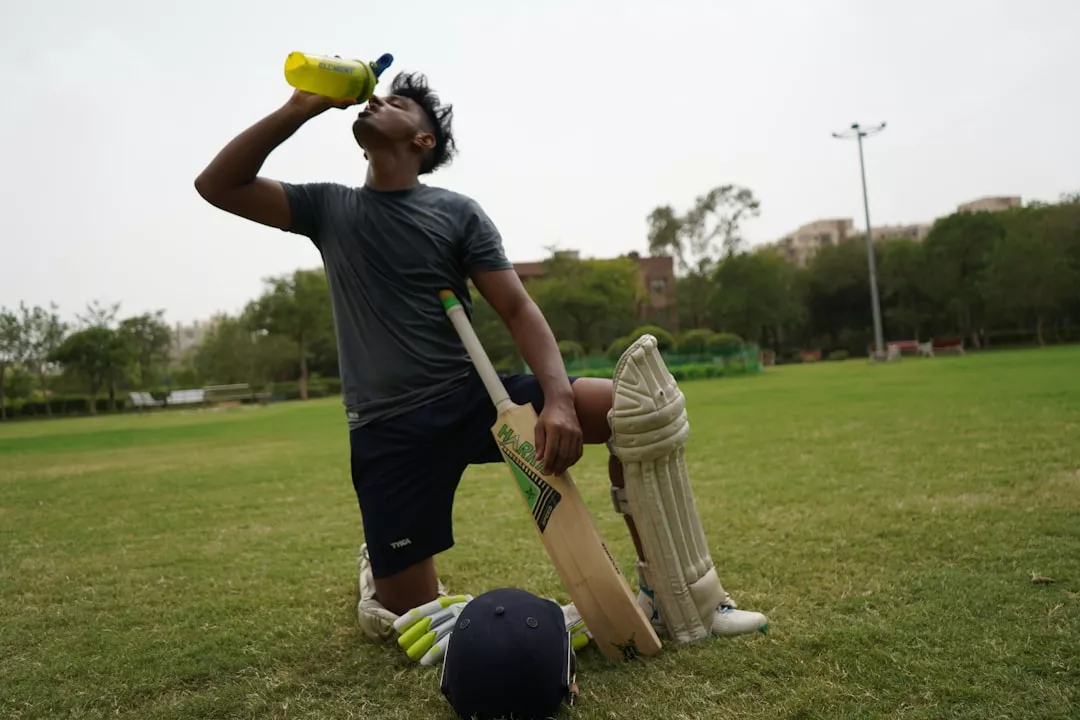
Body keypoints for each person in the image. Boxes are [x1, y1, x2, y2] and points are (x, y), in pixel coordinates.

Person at [194, 71, 767, 659]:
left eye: (397, 102)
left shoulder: (455, 212)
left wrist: (559, 401)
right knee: (407, 618)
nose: (376, 100)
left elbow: (517, 308)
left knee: (637, 409)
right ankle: (379, 573)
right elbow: (217, 185)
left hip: (472, 399)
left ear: (422, 140)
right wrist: (300, 107)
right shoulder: (328, 207)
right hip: (387, 430)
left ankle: (684, 598)